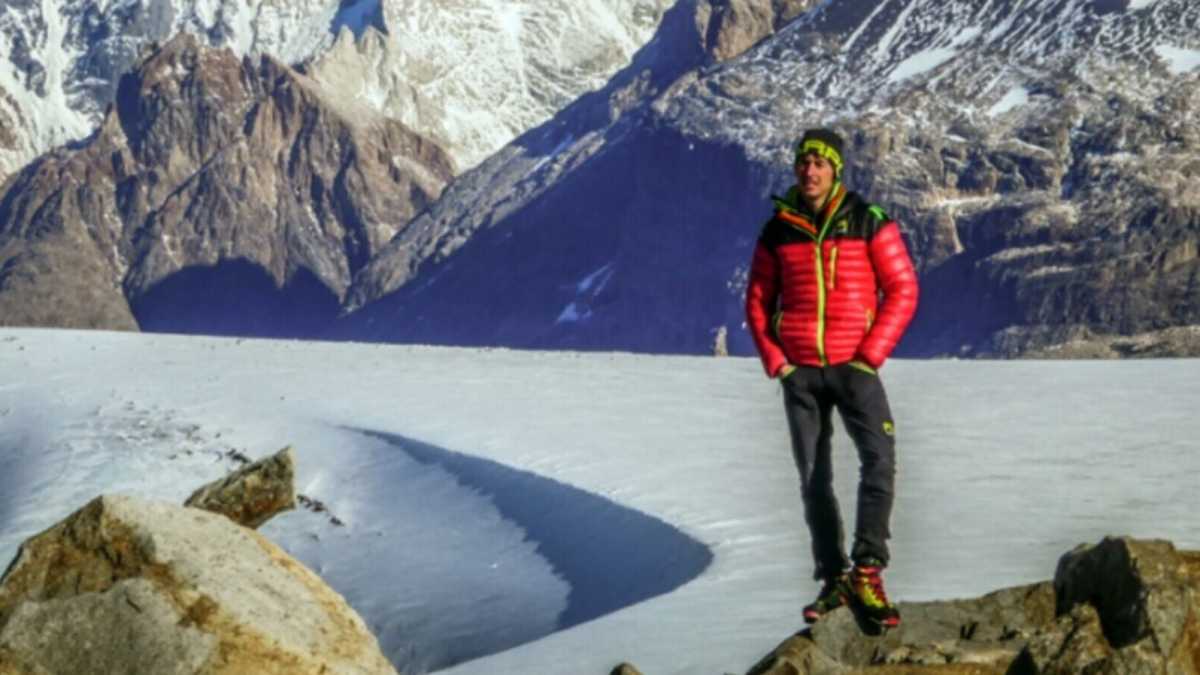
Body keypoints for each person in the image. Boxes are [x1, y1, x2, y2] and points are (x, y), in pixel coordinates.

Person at [744, 128, 918, 628]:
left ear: (836, 169)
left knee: (879, 462)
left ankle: (867, 569)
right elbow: (758, 300)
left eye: (820, 163)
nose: (811, 171)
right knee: (813, 479)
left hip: (854, 368)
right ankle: (833, 578)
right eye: (804, 163)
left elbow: (903, 288)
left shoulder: (868, 221)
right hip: (802, 374)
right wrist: (778, 361)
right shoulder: (778, 230)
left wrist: (871, 354)